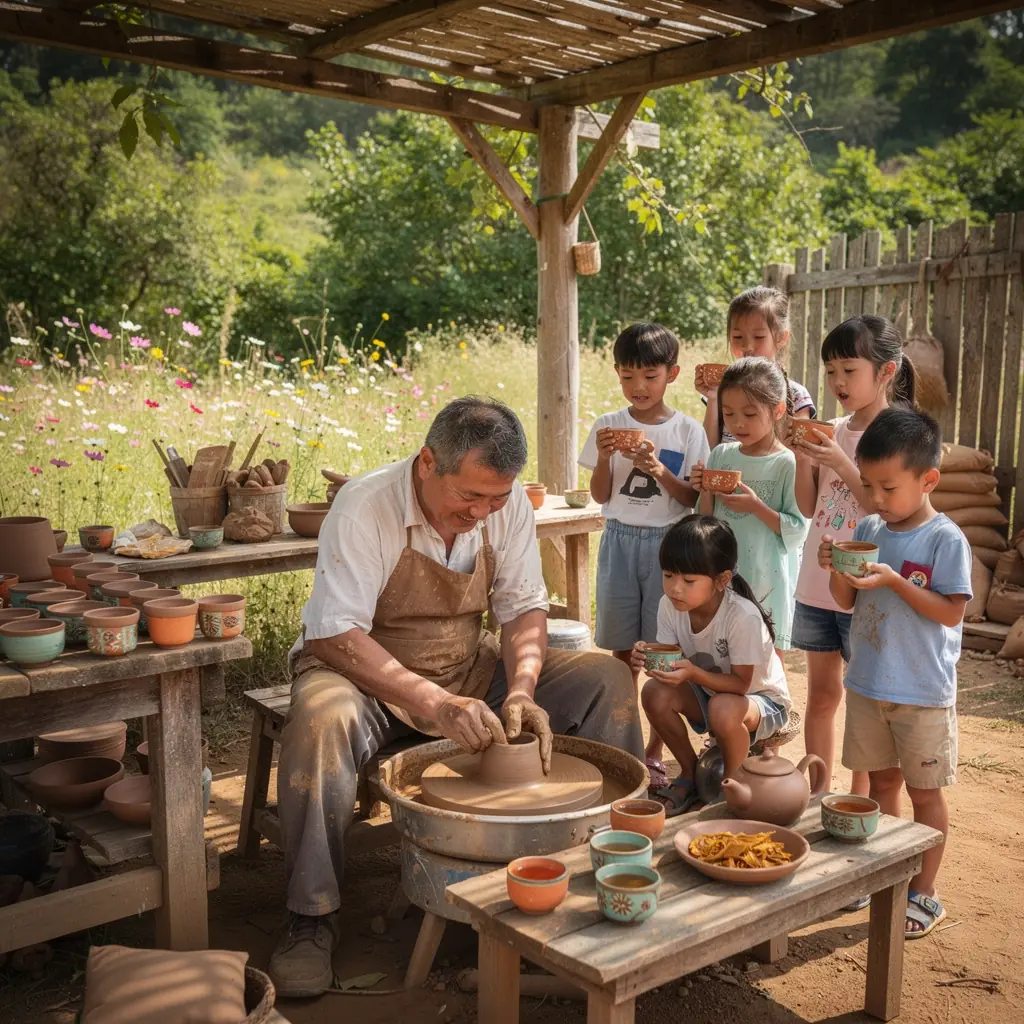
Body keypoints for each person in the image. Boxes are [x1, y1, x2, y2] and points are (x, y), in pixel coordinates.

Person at [271, 396, 644, 997]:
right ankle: (310, 917)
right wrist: (433, 703)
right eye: (470, 497)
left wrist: (521, 689)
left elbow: (523, 607)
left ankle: (606, 873)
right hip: (363, 674)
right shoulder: (366, 505)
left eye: (496, 499)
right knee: (319, 717)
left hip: (467, 670)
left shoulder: (506, 504)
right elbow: (336, 632)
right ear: (426, 463)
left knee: (609, 682)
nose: (483, 512)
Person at [821, 408, 970, 940]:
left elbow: (951, 612)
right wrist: (837, 566)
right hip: (867, 683)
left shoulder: (944, 540)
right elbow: (843, 602)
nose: (876, 499)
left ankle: (924, 892)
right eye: (868, 485)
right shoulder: (866, 528)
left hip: (923, 692)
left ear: (927, 479)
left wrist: (893, 580)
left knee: (924, 792)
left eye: (888, 487)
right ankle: (889, 877)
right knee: (883, 784)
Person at [791, 316, 917, 800]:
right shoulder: (832, 430)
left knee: (865, 700)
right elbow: (808, 507)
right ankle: (821, 794)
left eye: (849, 370)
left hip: (867, 585)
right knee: (822, 696)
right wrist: (804, 457)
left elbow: (883, 509)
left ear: (885, 373)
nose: (839, 383)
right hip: (817, 583)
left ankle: (860, 799)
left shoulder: (897, 436)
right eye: (830, 372)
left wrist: (840, 461)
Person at [579, 323, 709, 791]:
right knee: (619, 651)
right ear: (616, 373)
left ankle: (654, 751)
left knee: (660, 652)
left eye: (650, 376)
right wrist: (603, 456)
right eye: (628, 376)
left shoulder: (687, 430)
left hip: (666, 545)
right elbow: (599, 495)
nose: (639, 387)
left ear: (671, 374)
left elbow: (691, 500)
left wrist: (656, 468)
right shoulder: (607, 426)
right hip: (617, 538)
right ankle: (623, 743)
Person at [635, 515, 792, 815]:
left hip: (762, 701)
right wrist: (649, 658)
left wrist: (693, 673)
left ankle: (733, 784)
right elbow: (672, 663)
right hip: (711, 691)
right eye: (668, 575)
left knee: (723, 706)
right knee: (654, 692)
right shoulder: (670, 606)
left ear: (721, 580)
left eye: (689, 580)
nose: (675, 588)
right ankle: (689, 773)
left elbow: (740, 685)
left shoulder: (741, 616)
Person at [691, 357, 808, 653]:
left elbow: (796, 531)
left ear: (778, 409)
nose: (738, 423)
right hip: (723, 578)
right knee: (724, 654)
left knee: (768, 663)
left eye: (750, 414)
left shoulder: (787, 463)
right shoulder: (721, 455)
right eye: (729, 414)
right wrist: (705, 487)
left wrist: (757, 507)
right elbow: (703, 520)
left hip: (768, 581)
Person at [697, 286, 815, 447]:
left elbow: (800, 456)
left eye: (758, 336)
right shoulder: (723, 391)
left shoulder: (795, 395)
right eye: (738, 336)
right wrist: (712, 396)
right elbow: (708, 450)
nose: (747, 346)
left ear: (781, 337)